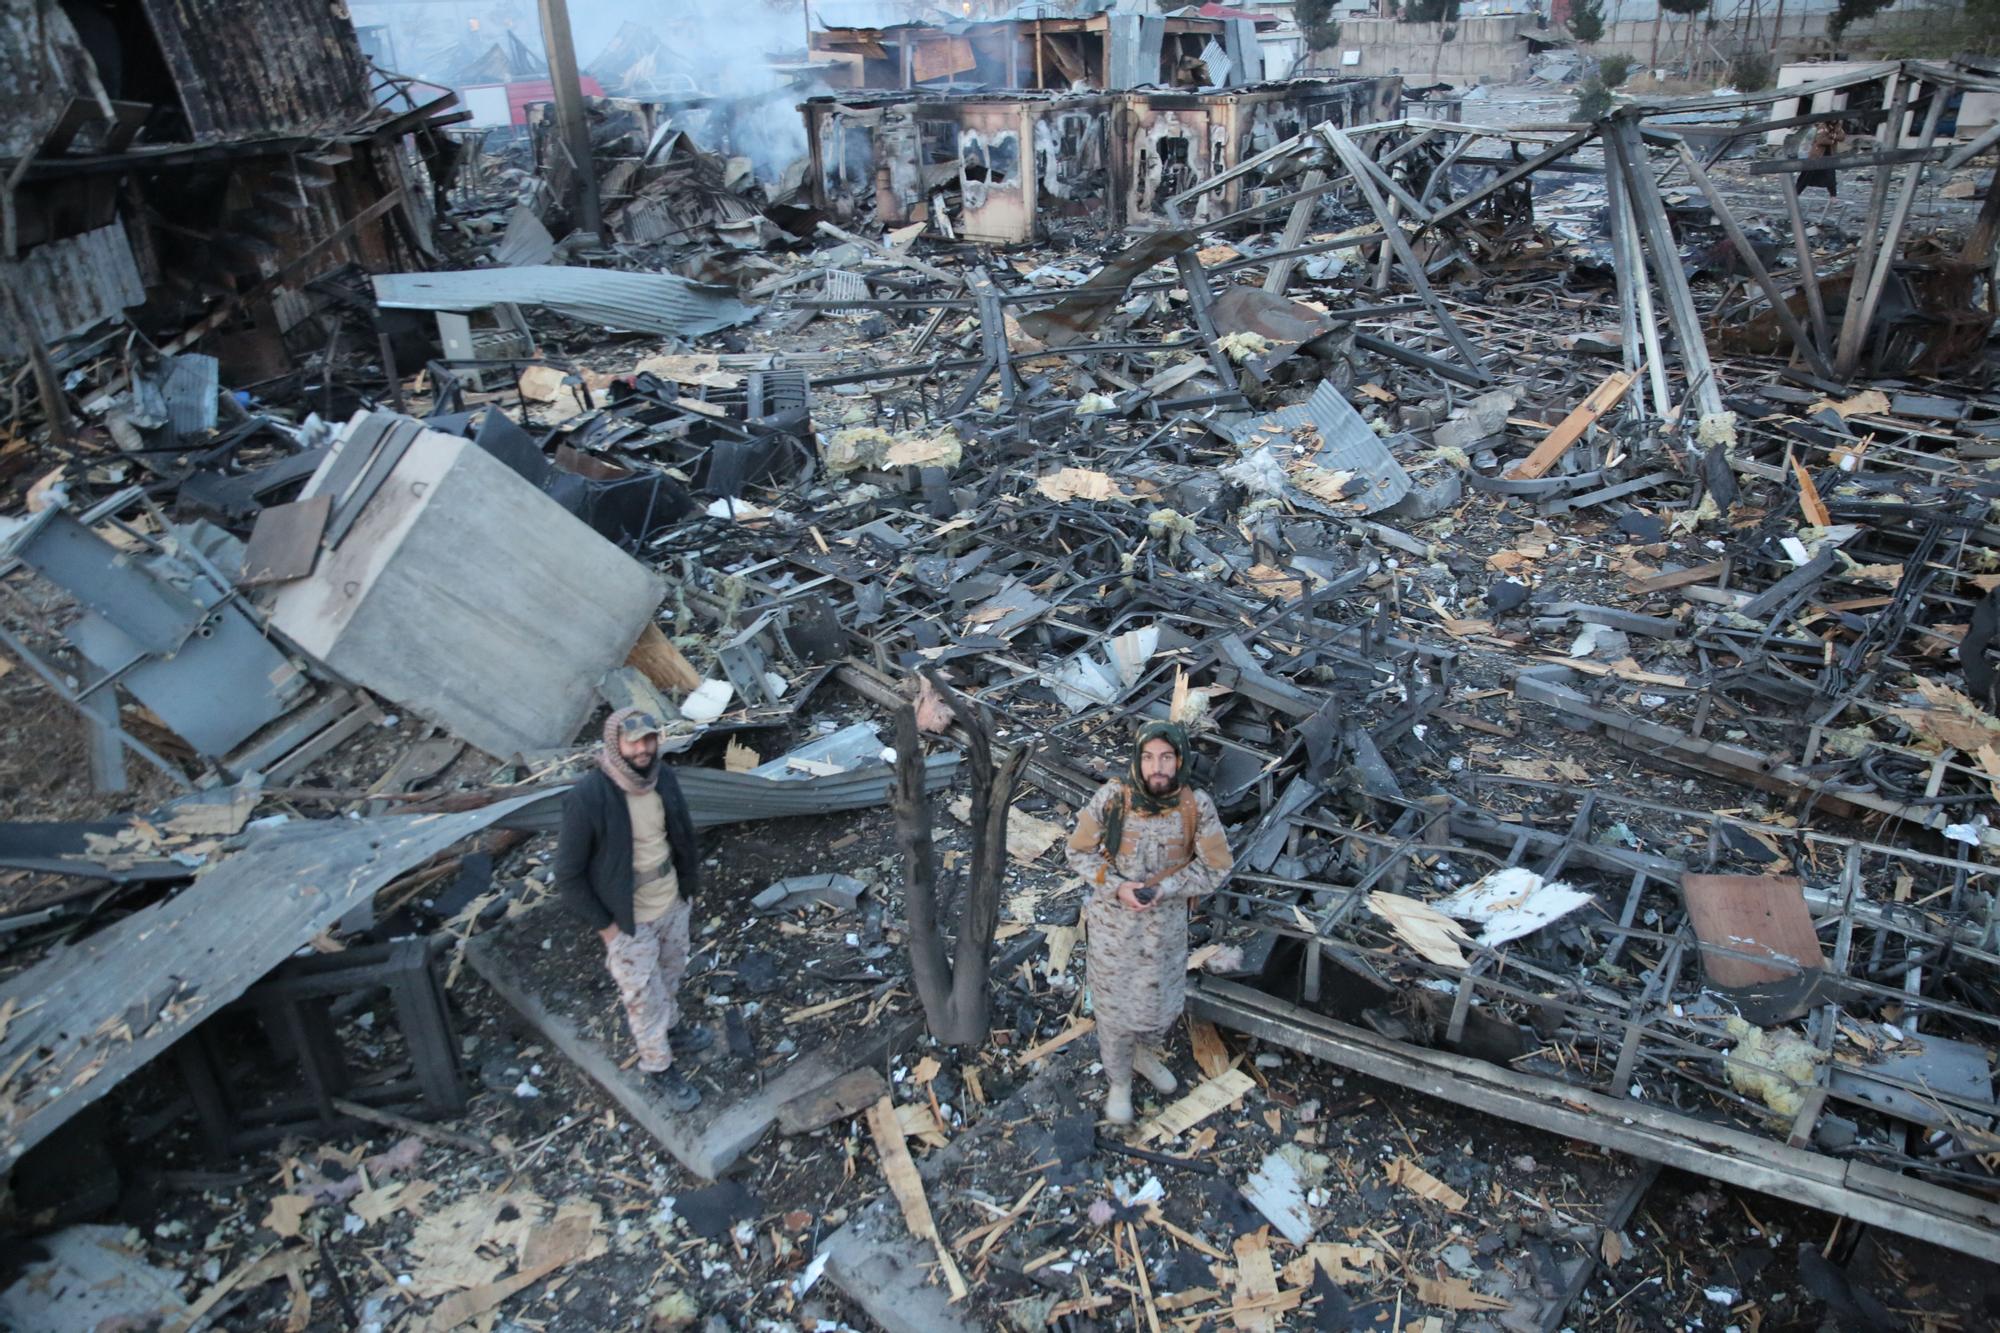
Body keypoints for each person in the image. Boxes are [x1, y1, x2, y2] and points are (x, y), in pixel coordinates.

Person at [1065, 721, 1233, 1124]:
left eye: (1166, 757)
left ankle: (1143, 1053)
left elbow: (1217, 867)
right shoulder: (1113, 798)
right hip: (1113, 928)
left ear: (1179, 760)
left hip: (1165, 931)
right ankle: (1119, 1080)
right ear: (1138, 760)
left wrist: (1169, 887)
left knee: (1159, 1006)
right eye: (1148, 757)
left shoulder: (1196, 806)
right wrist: (1117, 886)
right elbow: (1078, 852)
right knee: (1115, 1009)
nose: (1157, 767)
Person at [555, 707, 711, 1111]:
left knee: (670, 975)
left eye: (649, 740)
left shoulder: (663, 778)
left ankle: (672, 1031)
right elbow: (568, 877)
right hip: (628, 919)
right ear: (615, 745)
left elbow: (683, 835)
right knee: (642, 996)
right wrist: (607, 927)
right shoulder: (590, 797)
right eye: (633, 742)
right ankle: (658, 1066)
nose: (643, 750)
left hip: (671, 902)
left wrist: (687, 890)